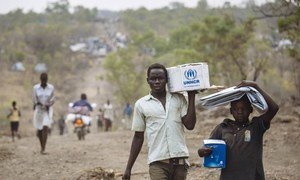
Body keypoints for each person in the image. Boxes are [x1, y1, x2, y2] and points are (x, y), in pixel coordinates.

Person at [122, 63, 197, 180]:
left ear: (166, 80)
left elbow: (190, 125)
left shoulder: (179, 98)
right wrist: (128, 168)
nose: (157, 81)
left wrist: (191, 96)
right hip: (157, 163)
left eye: (160, 78)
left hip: (180, 162)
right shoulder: (141, 104)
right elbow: (138, 137)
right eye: (153, 79)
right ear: (148, 80)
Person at [198, 81, 279, 180]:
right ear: (231, 111)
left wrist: (255, 86)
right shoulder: (223, 127)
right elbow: (207, 146)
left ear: (250, 110)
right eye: (236, 109)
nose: (240, 112)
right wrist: (201, 151)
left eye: (243, 108)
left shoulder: (256, 126)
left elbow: (274, 108)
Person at [33, 73, 55, 155]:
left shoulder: (51, 88)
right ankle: (41, 146)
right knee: (40, 129)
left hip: (47, 110)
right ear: (40, 80)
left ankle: (44, 148)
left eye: (45, 80)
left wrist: (48, 104)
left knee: (45, 127)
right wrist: (39, 104)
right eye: (42, 80)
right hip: (39, 110)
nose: (44, 82)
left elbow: (53, 99)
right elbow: (34, 100)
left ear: (47, 80)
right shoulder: (35, 88)